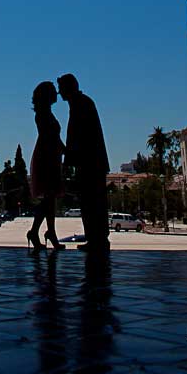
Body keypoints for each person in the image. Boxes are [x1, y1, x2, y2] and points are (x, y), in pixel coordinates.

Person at [57, 73, 110, 252]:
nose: (59, 92)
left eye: (61, 88)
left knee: (92, 202)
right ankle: (96, 239)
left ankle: (98, 240)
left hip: (90, 163)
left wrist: (67, 160)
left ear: (68, 87)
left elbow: (75, 136)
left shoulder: (80, 104)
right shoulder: (81, 102)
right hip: (90, 162)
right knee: (91, 202)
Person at [27, 81, 66, 251]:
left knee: (49, 199)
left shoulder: (46, 113)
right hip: (46, 156)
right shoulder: (43, 114)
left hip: (51, 155)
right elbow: (49, 136)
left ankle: (43, 231)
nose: (56, 94)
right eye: (52, 91)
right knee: (49, 197)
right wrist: (64, 149)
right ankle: (46, 232)